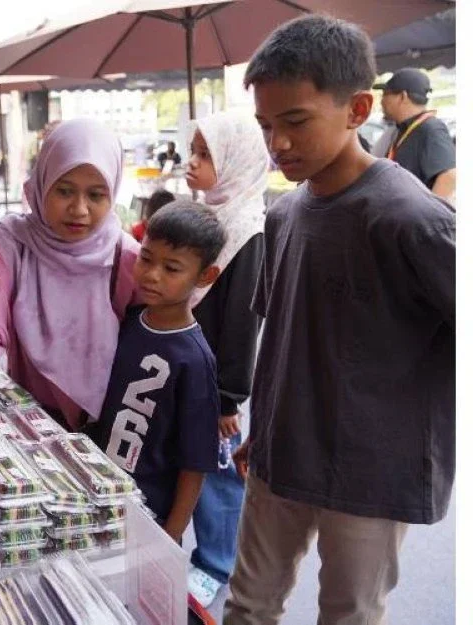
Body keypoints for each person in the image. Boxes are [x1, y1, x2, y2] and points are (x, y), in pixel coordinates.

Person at [224, 16, 455, 625]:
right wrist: (263, 425)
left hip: (372, 471)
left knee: (348, 614)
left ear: (357, 108)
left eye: (295, 121)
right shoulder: (284, 215)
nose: (278, 144)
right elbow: (280, 332)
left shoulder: (412, 216)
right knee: (247, 608)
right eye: (266, 126)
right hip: (280, 455)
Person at [0, 118, 142, 430]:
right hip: (31, 417)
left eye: (96, 195)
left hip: (109, 423)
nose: (79, 209)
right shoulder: (12, 242)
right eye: (64, 191)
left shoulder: (128, 257)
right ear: (42, 183)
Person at [86, 201, 225, 542]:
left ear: (206, 276)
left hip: (150, 516)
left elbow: (195, 463)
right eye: (146, 258)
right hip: (99, 495)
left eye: (172, 268)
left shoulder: (194, 360)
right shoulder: (127, 320)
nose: (152, 274)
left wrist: (171, 535)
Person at [181, 110, 269, 608]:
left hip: (218, 382)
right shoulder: (212, 214)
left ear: (234, 160)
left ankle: (215, 562)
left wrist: (228, 398)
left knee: (216, 472)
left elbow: (243, 323)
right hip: (190, 369)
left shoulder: (245, 227)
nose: (191, 164)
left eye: (205, 155)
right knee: (188, 463)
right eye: (192, 152)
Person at [375, 67, 456, 201]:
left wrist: (429, 215)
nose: (381, 101)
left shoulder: (431, 128)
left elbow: (449, 175)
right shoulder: (403, 129)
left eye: (385, 94)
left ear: (403, 96)